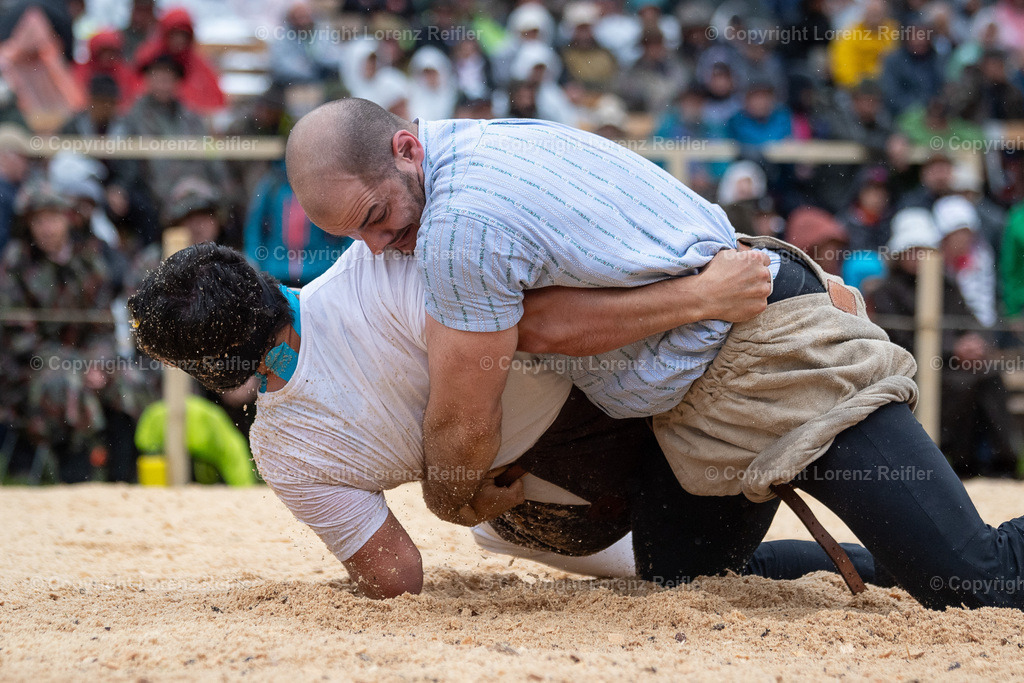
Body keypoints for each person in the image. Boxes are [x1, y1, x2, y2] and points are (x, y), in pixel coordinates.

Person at [284, 98, 1024, 610]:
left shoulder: (458, 225)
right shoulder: (469, 145)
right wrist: (697, 298)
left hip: (776, 352)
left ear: (405, 148)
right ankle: (893, 560)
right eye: (360, 237)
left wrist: (452, 496)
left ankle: (921, 556)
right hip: (693, 399)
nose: (381, 248)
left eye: (379, 217)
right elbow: (539, 325)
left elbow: (472, 413)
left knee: (974, 581)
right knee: (684, 578)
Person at [127, 242, 888, 598]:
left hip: (579, 498)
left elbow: (398, 575)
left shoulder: (285, 449)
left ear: (214, 372)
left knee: (491, 525)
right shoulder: (383, 263)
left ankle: (851, 560)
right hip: (659, 390)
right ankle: (797, 286)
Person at [873, 208, 1024, 478]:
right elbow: (897, 341)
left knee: (989, 374)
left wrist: (977, 344)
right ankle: (953, 459)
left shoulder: (945, 284)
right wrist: (952, 349)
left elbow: (971, 321)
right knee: (961, 383)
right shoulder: (887, 291)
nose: (919, 256)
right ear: (899, 253)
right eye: (913, 250)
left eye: (924, 249)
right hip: (913, 367)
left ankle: (1003, 462)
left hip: (955, 363)